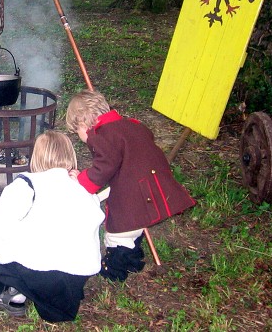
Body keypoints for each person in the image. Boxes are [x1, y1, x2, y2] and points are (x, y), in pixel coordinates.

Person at [66, 89, 196, 282]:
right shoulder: (132, 125)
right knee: (134, 224)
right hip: (153, 185)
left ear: (83, 124)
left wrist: (82, 181)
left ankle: (116, 269)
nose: (81, 137)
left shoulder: (103, 135)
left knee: (118, 230)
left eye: (77, 132)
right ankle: (134, 259)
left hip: (134, 193)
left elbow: (103, 168)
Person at [0, 130, 105, 322]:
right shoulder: (83, 185)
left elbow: (2, 222)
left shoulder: (27, 184)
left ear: (36, 157)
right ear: (70, 156)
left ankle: (16, 293)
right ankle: (49, 298)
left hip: (41, 272)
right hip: (74, 276)